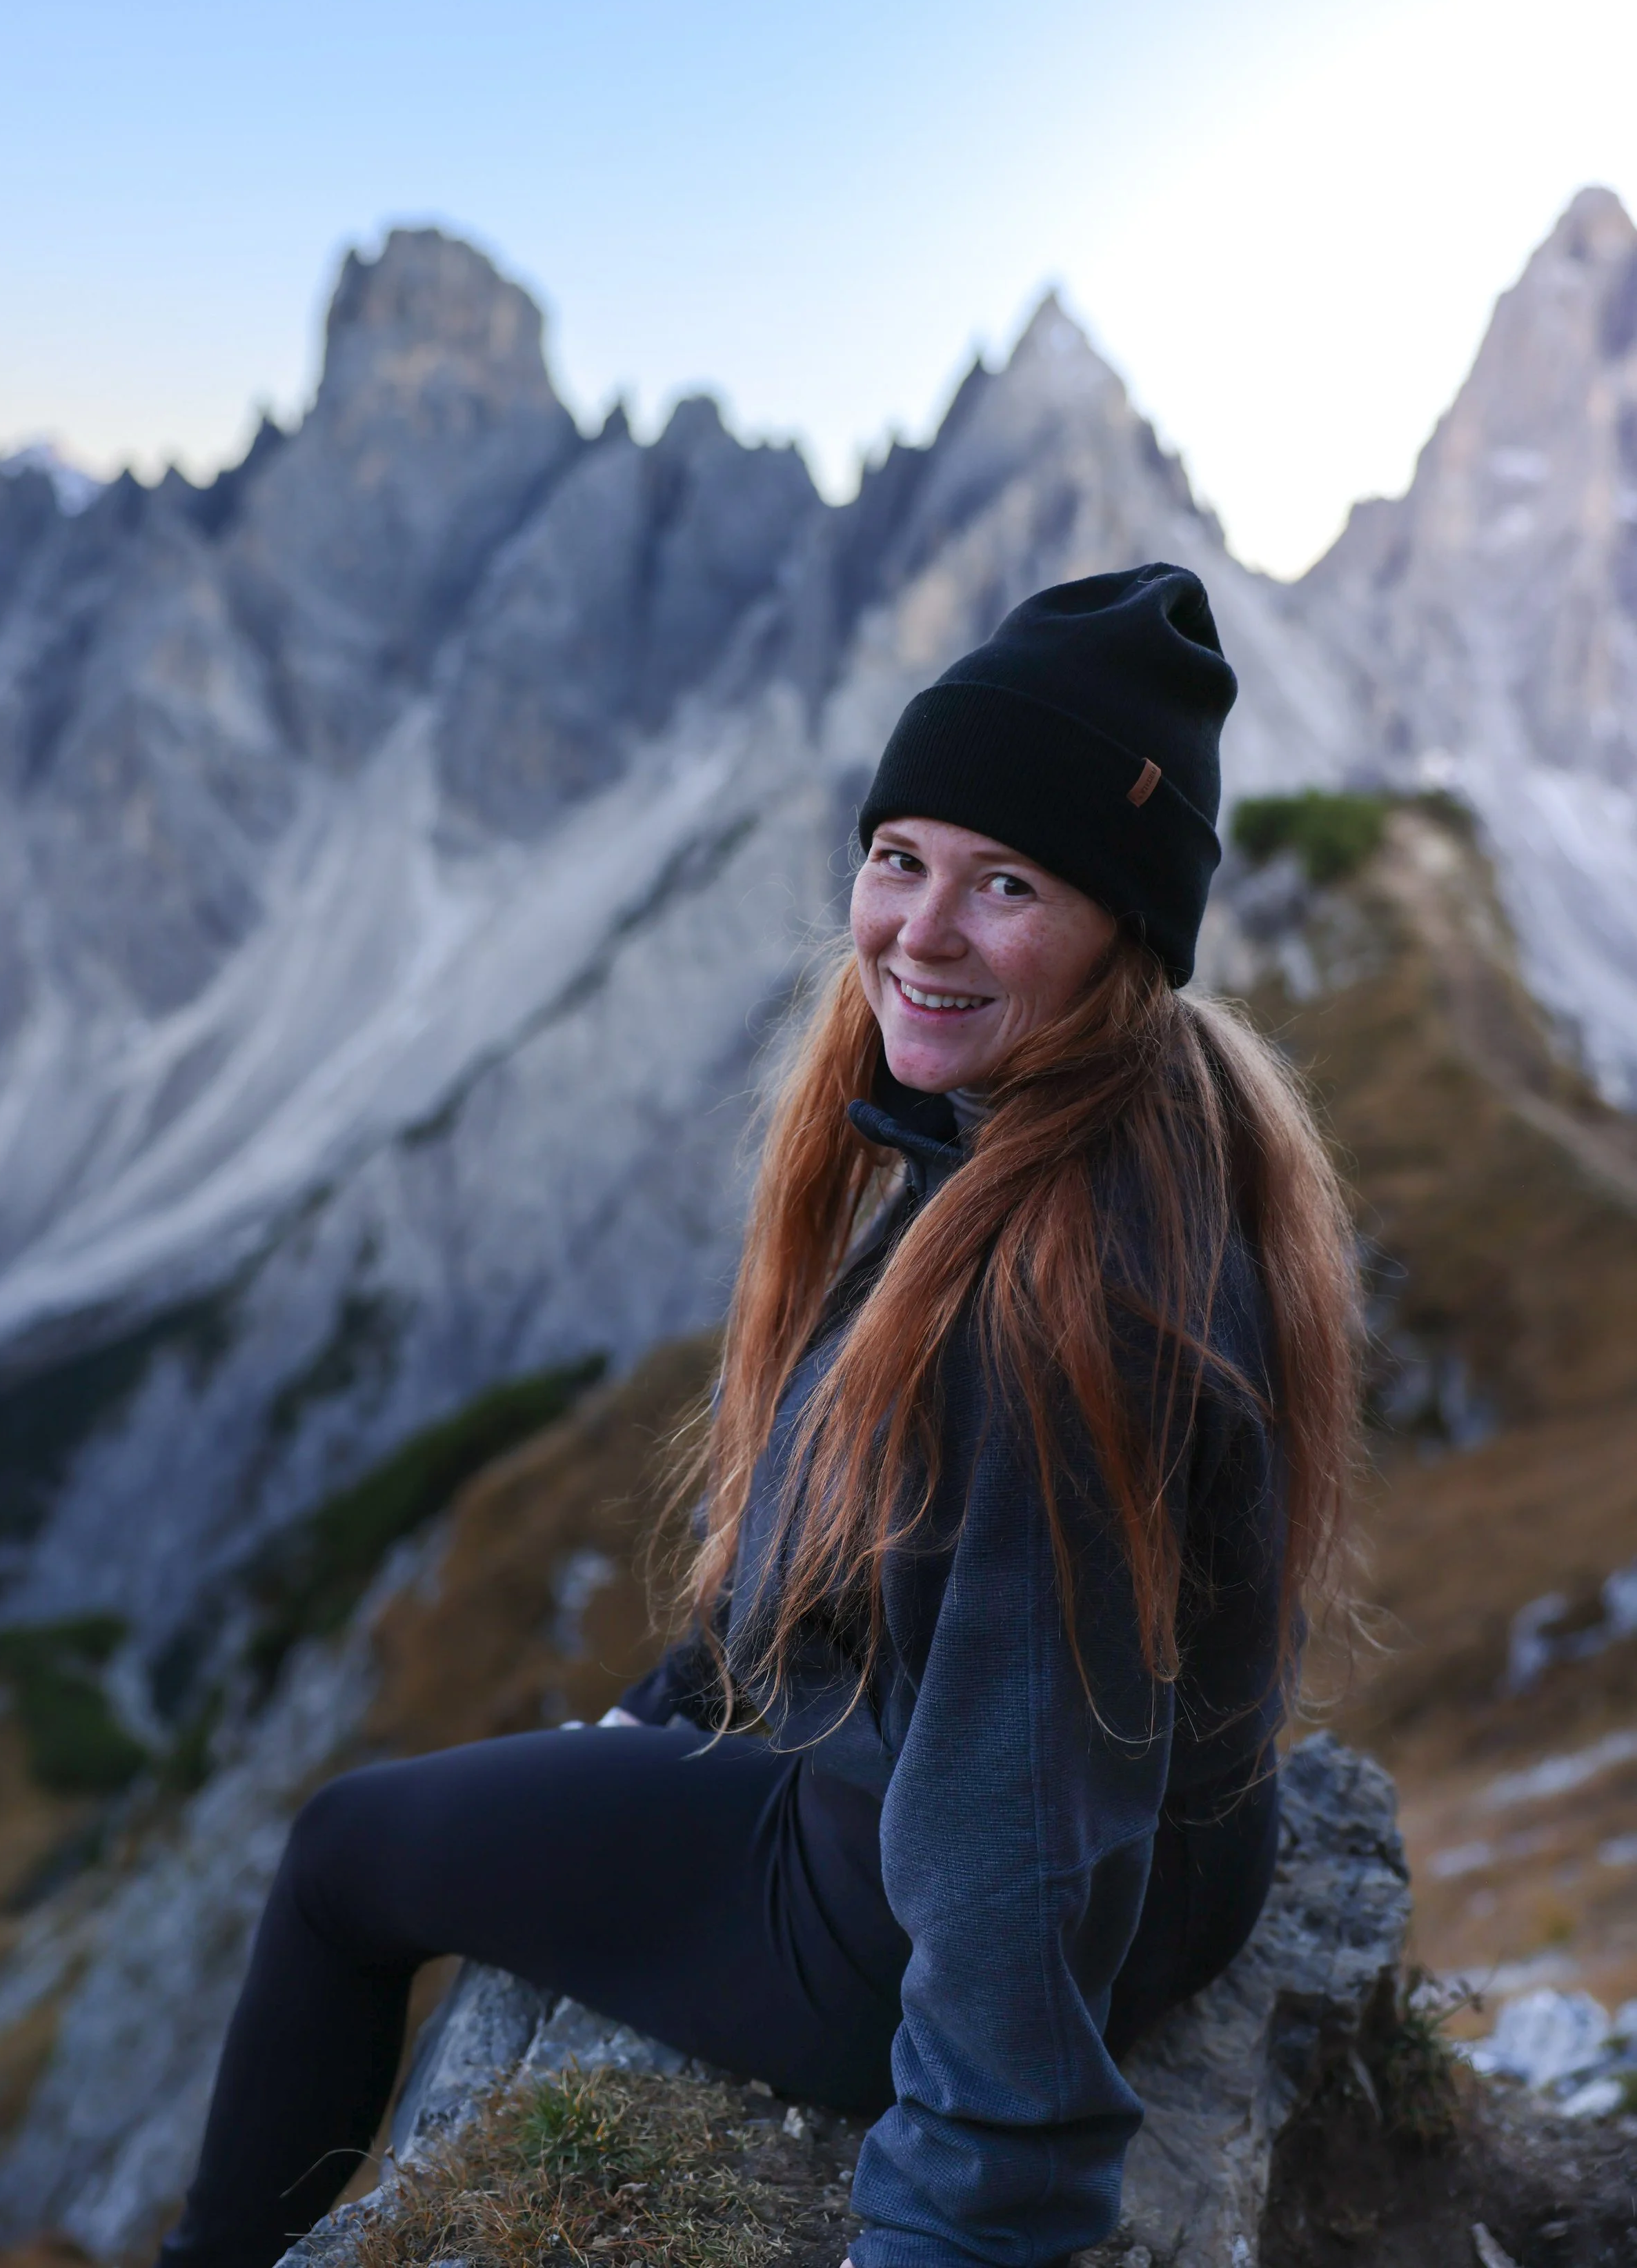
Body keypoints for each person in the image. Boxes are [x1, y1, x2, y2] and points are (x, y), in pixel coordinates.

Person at [159, 564, 1360, 2268]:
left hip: (890, 1919)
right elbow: (919, 1595)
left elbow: (1011, 1831)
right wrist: (671, 1714)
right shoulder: (1140, 1122)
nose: (915, 932)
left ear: (1123, 931)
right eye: (898, 858)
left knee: (345, 1851)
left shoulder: (1057, 1306)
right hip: (1173, 1871)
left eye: (1005, 882)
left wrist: (961, 2217)